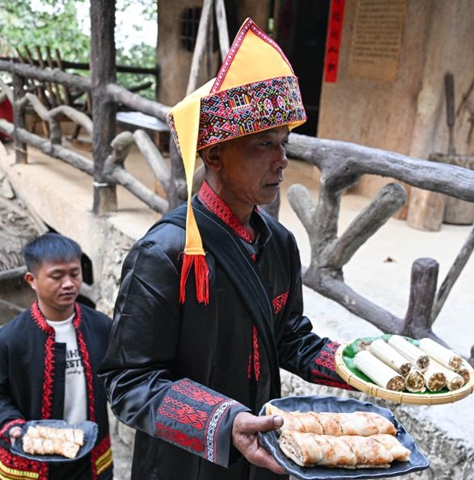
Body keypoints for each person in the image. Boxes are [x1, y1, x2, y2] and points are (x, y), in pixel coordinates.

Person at [98, 18, 354, 480]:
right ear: (214, 155)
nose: (281, 160)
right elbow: (127, 380)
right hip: (185, 460)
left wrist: (358, 364)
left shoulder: (279, 243)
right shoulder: (165, 253)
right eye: (263, 144)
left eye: (284, 143)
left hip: (262, 452)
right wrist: (222, 421)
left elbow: (289, 336)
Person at [0, 232, 114, 480]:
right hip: (30, 463)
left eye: (75, 273)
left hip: (90, 458)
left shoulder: (102, 327)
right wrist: (11, 425)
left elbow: (118, 373)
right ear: (32, 280)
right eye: (57, 276)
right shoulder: (7, 340)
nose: (69, 283)